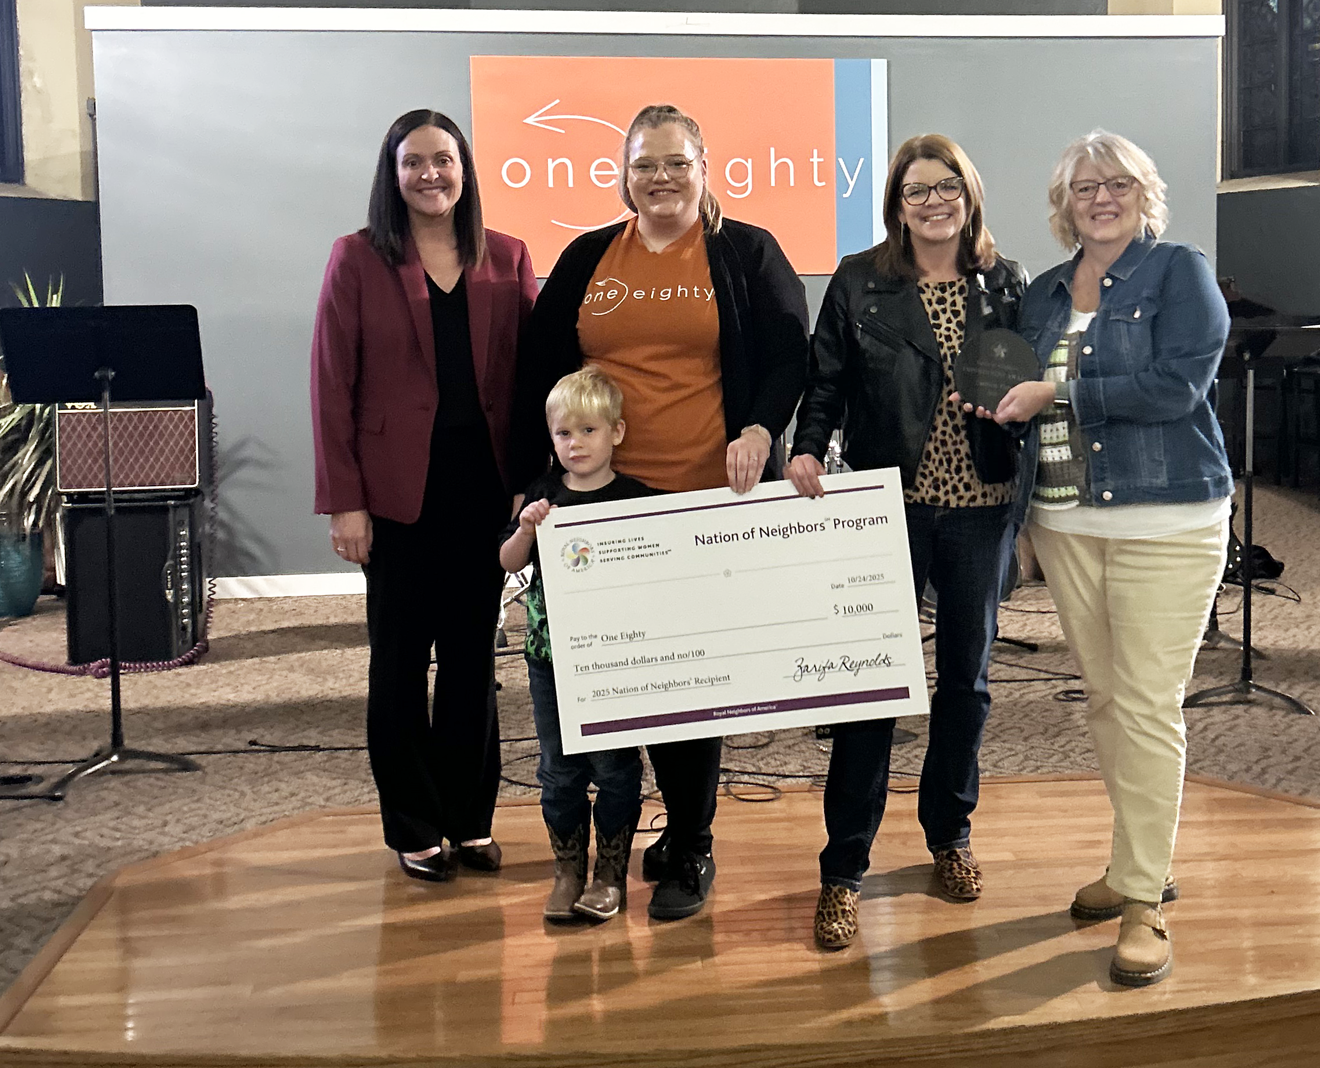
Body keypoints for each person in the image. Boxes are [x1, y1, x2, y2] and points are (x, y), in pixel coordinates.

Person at [513, 104, 809, 920]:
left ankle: (691, 843)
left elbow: (789, 352)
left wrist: (759, 427)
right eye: (646, 164)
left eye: (676, 163)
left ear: (705, 167)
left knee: (686, 686)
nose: (661, 179)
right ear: (625, 174)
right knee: (612, 680)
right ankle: (617, 841)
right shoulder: (587, 257)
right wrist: (530, 479)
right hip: (599, 511)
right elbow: (538, 367)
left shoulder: (745, 252)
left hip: (701, 502)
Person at [974, 131, 1232, 986]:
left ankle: (1145, 905)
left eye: (1116, 182)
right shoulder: (1045, 291)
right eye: (1084, 186)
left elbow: (1176, 388)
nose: (1101, 196)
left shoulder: (1178, 272)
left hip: (1168, 518)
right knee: (1109, 700)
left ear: (1142, 192)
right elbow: (1002, 381)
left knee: (1152, 704)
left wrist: (1059, 391)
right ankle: (1132, 865)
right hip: (1064, 522)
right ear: (1064, 204)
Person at [786, 134, 1027, 950]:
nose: (933, 202)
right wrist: (808, 445)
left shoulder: (1004, 280)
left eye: (947, 186)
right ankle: (843, 870)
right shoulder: (861, 281)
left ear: (969, 193)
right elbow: (826, 382)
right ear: (895, 204)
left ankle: (949, 836)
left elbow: (1023, 384)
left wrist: (1016, 407)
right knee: (871, 690)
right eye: (917, 190)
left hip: (982, 504)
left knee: (967, 682)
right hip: (887, 506)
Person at [311, 109, 537, 882]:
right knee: (402, 664)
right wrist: (346, 501)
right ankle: (412, 822)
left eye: (444, 160)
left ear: (465, 169)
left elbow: (531, 379)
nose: (431, 174)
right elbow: (331, 385)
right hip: (396, 499)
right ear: (393, 174)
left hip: (484, 496)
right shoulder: (356, 258)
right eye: (415, 163)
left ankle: (469, 819)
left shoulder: (507, 257)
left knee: (474, 661)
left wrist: (532, 487)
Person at [501, 367, 657, 922]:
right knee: (557, 768)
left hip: (613, 661)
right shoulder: (543, 494)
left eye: (588, 431)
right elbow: (509, 563)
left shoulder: (635, 498)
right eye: (564, 434)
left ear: (616, 433)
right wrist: (526, 529)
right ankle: (567, 869)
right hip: (548, 658)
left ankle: (610, 871)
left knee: (614, 767)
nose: (576, 444)